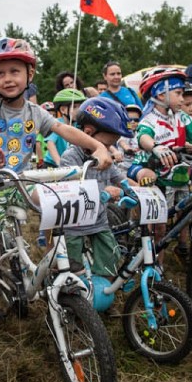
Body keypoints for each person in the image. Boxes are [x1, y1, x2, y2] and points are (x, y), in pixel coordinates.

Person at [0, 37, 111, 339]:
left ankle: (59, 261)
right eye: (0, 73)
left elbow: (65, 130)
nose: (7, 78)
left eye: (15, 71)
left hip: (21, 181)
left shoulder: (35, 112)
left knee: (60, 204)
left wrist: (98, 145)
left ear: (29, 74)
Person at [60, 98, 133, 278]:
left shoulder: (106, 157)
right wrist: (103, 192)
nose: (108, 149)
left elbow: (120, 179)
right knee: (72, 269)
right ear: (88, 132)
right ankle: (71, 299)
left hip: (98, 220)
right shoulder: (71, 157)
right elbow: (72, 190)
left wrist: (139, 189)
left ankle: (102, 290)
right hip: (74, 224)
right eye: (106, 144)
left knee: (110, 260)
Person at [43, 88, 85, 168]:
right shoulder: (56, 124)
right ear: (63, 110)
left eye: (80, 107)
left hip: (71, 165)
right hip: (53, 165)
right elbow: (50, 144)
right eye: (75, 107)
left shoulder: (79, 125)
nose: (78, 110)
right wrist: (59, 163)